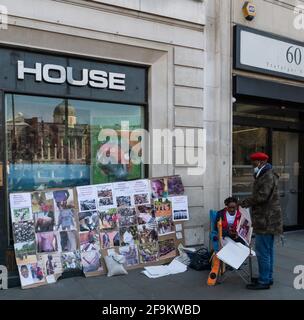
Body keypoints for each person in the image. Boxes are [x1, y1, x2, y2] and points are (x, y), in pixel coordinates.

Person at [240, 152, 283, 290]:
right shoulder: (265, 174)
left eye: (254, 163)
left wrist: (245, 202)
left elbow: (262, 196)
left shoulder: (267, 176)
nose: (253, 166)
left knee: (262, 251)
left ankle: (264, 280)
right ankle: (267, 277)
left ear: (261, 162)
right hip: (268, 218)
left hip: (266, 220)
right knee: (267, 250)